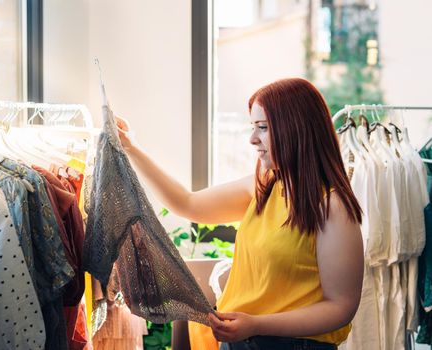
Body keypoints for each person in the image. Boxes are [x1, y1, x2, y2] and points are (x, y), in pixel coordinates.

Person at [114, 77, 363, 350]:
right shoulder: (264, 186)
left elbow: (341, 307)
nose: (252, 139)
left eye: (263, 128)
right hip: (241, 342)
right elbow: (187, 204)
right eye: (253, 127)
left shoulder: (332, 206)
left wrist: (256, 324)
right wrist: (130, 147)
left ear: (296, 129)